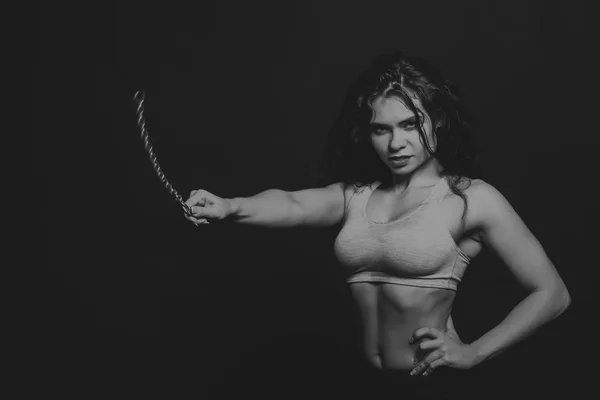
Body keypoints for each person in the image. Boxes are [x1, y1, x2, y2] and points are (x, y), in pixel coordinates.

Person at [183, 51, 571, 399]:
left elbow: (552, 293)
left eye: (409, 124)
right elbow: (294, 203)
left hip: (436, 388)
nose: (396, 143)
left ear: (436, 121)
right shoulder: (357, 196)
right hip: (364, 385)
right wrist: (229, 205)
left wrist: (473, 352)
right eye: (381, 129)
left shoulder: (470, 199)